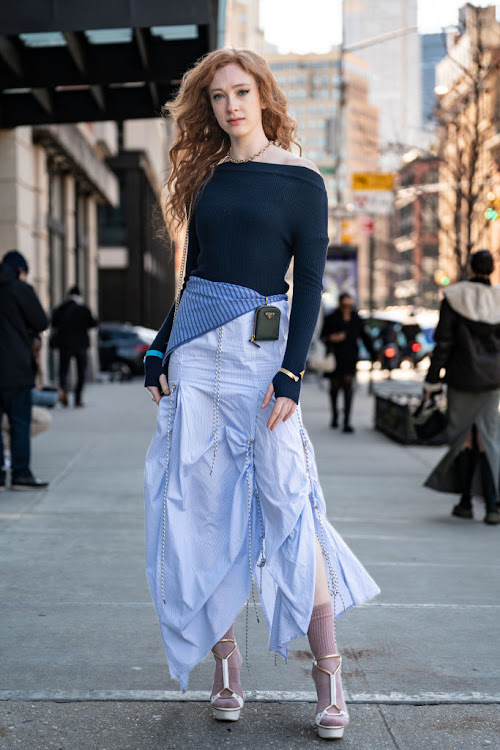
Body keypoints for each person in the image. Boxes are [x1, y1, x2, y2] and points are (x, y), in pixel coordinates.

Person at [143, 48, 379, 740]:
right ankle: (225, 664)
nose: (230, 106)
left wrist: (291, 373)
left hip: (260, 361)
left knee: (290, 508)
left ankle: (328, 673)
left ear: (264, 96)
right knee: (197, 513)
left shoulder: (303, 180)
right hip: (196, 360)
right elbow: (194, 278)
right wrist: (160, 345)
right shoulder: (207, 178)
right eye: (217, 97)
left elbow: (309, 286)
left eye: (241, 92)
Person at [423, 250, 500, 525]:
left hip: (461, 378)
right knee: (489, 439)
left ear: (469, 266)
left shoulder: (454, 297)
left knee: (463, 438)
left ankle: (466, 502)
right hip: (493, 381)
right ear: (491, 269)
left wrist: (432, 380)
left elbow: (443, 343)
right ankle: (493, 506)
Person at [0, 250, 49, 490]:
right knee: (19, 423)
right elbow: (41, 322)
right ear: (20, 271)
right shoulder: (20, 290)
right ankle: (21, 475)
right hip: (15, 369)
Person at [320, 294, 376, 432]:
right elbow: (322, 336)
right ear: (340, 304)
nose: (347, 308)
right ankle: (334, 417)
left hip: (350, 357)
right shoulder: (331, 318)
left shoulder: (356, 319)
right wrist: (332, 338)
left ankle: (346, 421)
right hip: (334, 356)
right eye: (345, 306)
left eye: (350, 306)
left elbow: (365, 337)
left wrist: (374, 354)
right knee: (334, 388)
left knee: (348, 387)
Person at [50, 285, 97, 407]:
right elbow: (92, 323)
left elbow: (53, 323)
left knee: (63, 371)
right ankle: (77, 398)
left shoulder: (61, 308)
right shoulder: (83, 309)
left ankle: (63, 392)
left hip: (64, 345)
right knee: (81, 372)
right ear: (79, 296)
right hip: (81, 345)